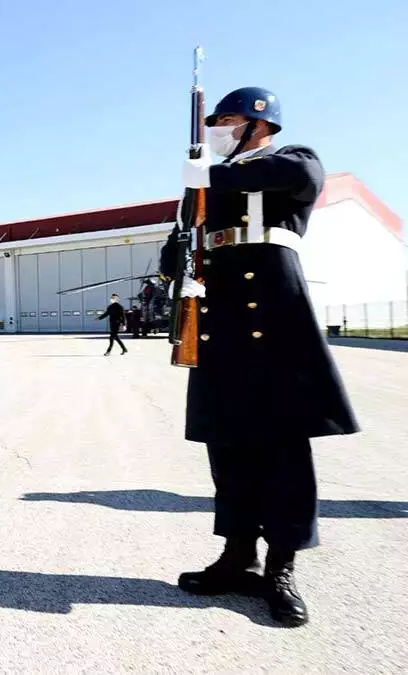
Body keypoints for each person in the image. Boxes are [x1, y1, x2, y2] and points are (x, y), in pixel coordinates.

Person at [161, 87, 359, 627]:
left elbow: (301, 181)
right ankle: (236, 556)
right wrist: (175, 257)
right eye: (214, 120)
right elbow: (180, 239)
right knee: (227, 443)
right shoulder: (203, 182)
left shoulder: (292, 160)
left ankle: (281, 568)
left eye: (226, 119)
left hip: (273, 314)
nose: (216, 128)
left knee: (282, 448)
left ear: (258, 123)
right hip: (219, 318)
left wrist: (210, 176)